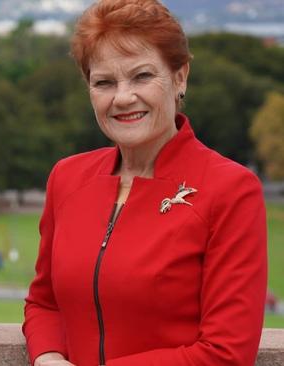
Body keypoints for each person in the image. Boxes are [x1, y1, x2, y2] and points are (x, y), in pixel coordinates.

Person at [23, 1, 267, 365]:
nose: (123, 98)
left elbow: (226, 353)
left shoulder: (231, 189)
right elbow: (44, 302)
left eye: (142, 76)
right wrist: (48, 357)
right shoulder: (67, 178)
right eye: (104, 82)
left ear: (180, 77)